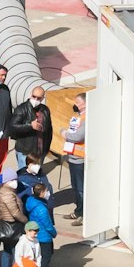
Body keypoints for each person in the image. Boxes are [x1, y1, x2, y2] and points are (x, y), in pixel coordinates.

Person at [0, 170, 27, 267]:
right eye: (12, 180)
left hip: (7, 223)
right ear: (6, 181)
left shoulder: (4, 190)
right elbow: (15, 212)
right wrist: (26, 220)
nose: (15, 182)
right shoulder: (7, 193)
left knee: (7, 250)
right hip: (12, 224)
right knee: (15, 250)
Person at [24, 178, 56, 267]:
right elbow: (48, 225)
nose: (48, 193)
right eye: (46, 191)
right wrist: (54, 233)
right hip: (44, 236)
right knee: (46, 256)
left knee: (37, 255)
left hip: (36, 234)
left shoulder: (31, 201)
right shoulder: (41, 209)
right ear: (41, 193)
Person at [60, 91, 85, 222]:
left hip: (80, 159)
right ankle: (78, 210)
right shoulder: (78, 117)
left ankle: (82, 213)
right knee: (75, 186)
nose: (75, 105)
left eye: (78, 103)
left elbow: (77, 136)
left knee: (81, 188)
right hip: (73, 157)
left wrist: (64, 133)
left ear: (84, 104)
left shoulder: (87, 119)